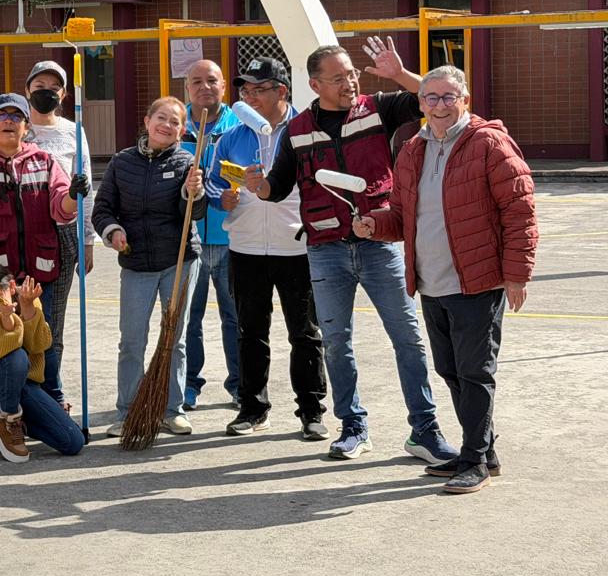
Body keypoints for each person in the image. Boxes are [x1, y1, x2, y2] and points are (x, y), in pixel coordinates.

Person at [245, 37, 456, 464]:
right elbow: (276, 188)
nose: (350, 82)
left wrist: (397, 73)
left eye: (353, 74)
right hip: (325, 251)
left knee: (409, 340)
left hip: (379, 245)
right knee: (337, 343)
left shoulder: (379, 107)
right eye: (339, 78)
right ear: (315, 84)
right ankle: (353, 427)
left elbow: (430, 101)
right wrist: (256, 184)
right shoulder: (299, 130)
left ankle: (425, 431)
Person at [354, 65, 537, 494]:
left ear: (465, 100)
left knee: (475, 372)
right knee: (450, 368)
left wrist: (516, 274)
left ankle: (473, 459)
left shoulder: (488, 143)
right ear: (420, 104)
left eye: (448, 96)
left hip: (477, 280)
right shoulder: (412, 149)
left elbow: (520, 211)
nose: (439, 105)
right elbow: (401, 216)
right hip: (431, 282)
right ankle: (482, 450)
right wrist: (374, 225)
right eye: (431, 98)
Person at [0, 92, 87, 447]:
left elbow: (60, 210)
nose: (9, 121)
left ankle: (51, 405)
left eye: (16, 116)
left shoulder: (46, 161)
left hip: (39, 272)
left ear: (26, 125)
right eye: (2, 115)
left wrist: (74, 194)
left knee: (44, 341)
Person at [205, 58, 327, 439]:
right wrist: (221, 198)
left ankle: (311, 411)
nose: (251, 97)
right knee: (250, 331)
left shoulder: (306, 130)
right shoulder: (231, 136)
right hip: (245, 248)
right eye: (246, 91)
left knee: (304, 334)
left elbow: (319, 185)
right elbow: (212, 184)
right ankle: (253, 408)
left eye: (260, 89)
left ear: (282, 91)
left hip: (296, 248)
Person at [92, 96, 206, 437]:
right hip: (137, 263)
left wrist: (193, 194)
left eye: (174, 122)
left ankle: (172, 409)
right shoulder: (121, 162)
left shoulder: (189, 161)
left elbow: (195, 214)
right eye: (161, 118)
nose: (166, 125)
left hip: (178, 261)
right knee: (132, 340)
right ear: (146, 121)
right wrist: (113, 232)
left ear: (182, 130)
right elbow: (102, 209)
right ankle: (128, 410)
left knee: (176, 338)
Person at [0, 262, 85, 462]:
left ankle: (19, 421)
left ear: (11, 287)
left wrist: (28, 308)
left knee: (73, 442)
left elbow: (40, 345)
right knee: (16, 356)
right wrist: (6, 318)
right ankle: (6, 419)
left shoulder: (28, 300)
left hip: (24, 382)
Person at [180, 59, 241, 410]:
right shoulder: (175, 125)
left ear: (223, 87)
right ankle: (189, 383)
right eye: (196, 81)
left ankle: (240, 384)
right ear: (187, 88)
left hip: (234, 239)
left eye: (212, 80)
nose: (205, 87)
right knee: (190, 319)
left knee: (236, 318)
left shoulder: (241, 126)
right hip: (191, 241)